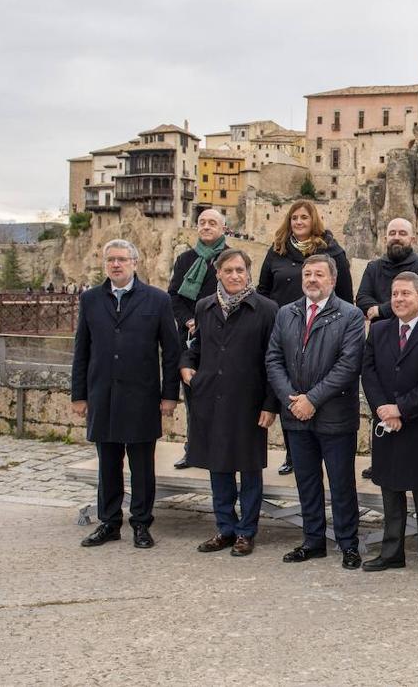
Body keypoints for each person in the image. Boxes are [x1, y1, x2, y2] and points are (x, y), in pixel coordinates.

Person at [73, 239, 180, 549]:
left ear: (135, 262)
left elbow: (171, 352)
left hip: (142, 396)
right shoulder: (91, 299)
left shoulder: (157, 300)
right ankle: (109, 522)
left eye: (122, 259)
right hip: (102, 395)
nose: (116, 265)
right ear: (105, 264)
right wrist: (79, 395)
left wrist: (169, 395)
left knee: (142, 466)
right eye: (111, 260)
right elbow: (82, 350)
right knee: (107, 464)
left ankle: (141, 523)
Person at [265, 254, 366, 569]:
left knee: (341, 484)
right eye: (307, 274)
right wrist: (291, 398)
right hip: (296, 415)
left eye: (318, 274)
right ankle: (313, 541)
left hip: (335, 416)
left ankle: (348, 544)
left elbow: (348, 365)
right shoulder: (286, 313)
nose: (311, 279)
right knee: (306, 482)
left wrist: (313, 399)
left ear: (332, 280)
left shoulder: (350, 315)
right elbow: (273, 358)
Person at [179, 249, 279, 557]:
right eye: (228, 270)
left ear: (248, 273)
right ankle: (225, 528)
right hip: (210, 398)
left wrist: (270, 404)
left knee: (249, 469)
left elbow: (274, 359)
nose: (234, 275)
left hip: (248, 400)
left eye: (240, 270)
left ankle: (246, 532)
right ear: (218, 274)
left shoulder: (266, 309)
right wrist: (186, 366)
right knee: (217, 467)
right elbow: (193, 348)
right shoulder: (205, 306)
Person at [360, 272, 418, 581]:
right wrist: (384, 411)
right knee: (391, 491)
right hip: (387, 425)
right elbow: (368, 373)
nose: (399, 299)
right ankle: (391, 553)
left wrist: (401, 408)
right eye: (395, 294)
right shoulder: (379, 330)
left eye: (406, 294)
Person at [257, 200, 353, 475]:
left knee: (317, 389)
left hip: (325, 328)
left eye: (304, 217)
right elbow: (263, 289)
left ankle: (316, 454)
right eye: (294, 218)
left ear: (314, 221)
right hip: (285, 327)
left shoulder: (331, 251)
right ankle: (292, 453)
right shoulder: (277, 250)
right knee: (287, 388)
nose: (299, 222)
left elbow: (345, 294)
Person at [355, 216, 418, 481]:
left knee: (408, 395)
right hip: (381, 339)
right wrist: (384, 311)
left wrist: (380, 310)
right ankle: (379, 459)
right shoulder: (374, 267)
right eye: (392, 233)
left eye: (402, 233)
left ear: (412, 239)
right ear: (385, 237)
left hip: (413, 339)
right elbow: (361, 298)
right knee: (379, 393)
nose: (396, 237)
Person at [168, 208, 229, 470]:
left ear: (223, 229)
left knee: (223, 399)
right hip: (192, 338)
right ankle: (192, 450)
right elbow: (174, 296)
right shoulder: (185, 260)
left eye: (212, 223)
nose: (206, 226)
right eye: (202, 222)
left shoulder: (230, 259)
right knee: (193, 397)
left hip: (222, 339)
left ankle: (221, 451)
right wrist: (189, 320)